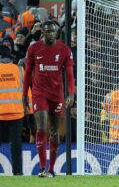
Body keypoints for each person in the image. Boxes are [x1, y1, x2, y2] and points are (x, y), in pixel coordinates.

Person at [22, 20, 75, 178]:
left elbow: (70, 74)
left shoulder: (64, 50)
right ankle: (42, 168)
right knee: (42, 127)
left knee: (54, 132)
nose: (51, 33)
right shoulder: (34, 49)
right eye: (48, 31)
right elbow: (27, 74)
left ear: (57, 32)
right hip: (39, 93)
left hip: (56, 95)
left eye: (53, 31)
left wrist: (71, 93)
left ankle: (51, 169)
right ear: (43, 32)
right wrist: (24, 94)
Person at [0, 45, 30, 175]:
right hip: (17, 113)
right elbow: (27, 92)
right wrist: (30, 112)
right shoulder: (19, 70)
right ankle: (18, 173)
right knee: (16, 146)